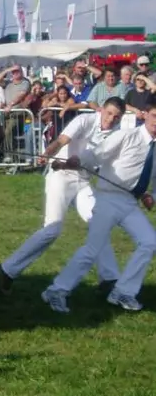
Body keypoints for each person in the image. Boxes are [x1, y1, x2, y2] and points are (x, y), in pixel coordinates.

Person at [0, 97, 125, 295]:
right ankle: (6, 270)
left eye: (117, 117)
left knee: (99, 223)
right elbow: (62, 140)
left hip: (83, 181)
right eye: (109, 113)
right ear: (102, 111)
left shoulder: (116, 134)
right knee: (52, 230)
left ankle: (109, 279)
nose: (111, 119)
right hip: (61, 177)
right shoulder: (84, 121)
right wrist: (47, 153)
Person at [40, 94, 156, 313]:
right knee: (92, 250)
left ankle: (123, 292)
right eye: (154, 116)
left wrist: (151, 196)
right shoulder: (126, 136)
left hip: (130, 204)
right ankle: (56, 291)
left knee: (150, 241)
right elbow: (97, 154)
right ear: (146, 115)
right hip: (108, 199)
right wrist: (76, 162)